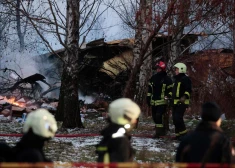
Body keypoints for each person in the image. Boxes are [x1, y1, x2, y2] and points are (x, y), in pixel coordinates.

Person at [96, 98, 141, 163]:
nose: (135, 121)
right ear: (125, 118)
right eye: (133, 117)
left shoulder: (111, 133)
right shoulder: (120, 140)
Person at [147, 61, 173, 138]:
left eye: (159, 68)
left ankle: (159, 133)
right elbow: (150, 89)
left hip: (162, 102)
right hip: (153, 102)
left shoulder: (167, 79)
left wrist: (168, 96)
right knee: (154, 117)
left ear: (163, 69)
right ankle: (160, 130)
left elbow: (171, 90)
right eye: (157, 68)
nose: (157, 70)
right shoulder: (153, 78)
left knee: (158, 116)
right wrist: (148, 98)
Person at [169, 62, 192, 140]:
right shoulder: (176, 79)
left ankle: (184, 135)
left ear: (181, 69)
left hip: (182, 102)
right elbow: (173, 91)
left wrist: (184, 97)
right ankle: (178, 135)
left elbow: (188, 90)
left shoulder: (185, 79)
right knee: (175, 119)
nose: (175, 70)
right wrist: (168, 96)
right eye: (175, 69)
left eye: (177, 69)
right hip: (175, 102)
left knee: (178, 118)